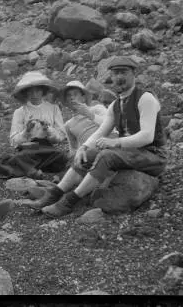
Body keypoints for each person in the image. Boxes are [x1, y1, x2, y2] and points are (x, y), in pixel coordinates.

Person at [30, 56, 168, 217]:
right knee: (87, 155)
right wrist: (83, 147)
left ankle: (68, 202)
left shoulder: (145, 99)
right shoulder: (116, 105)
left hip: (153, 155)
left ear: (133, 75)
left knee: (106, 156)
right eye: (115, 74)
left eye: (123, 72)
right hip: (130, 153)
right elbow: (101, 131)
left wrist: (115, 142)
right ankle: (54, 194)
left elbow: (147, 136)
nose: (119, 77)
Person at [0, 71, 69, 179]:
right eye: (30, 92)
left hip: (47, 149)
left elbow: (60, 136)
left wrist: (48, 129)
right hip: (27, 150)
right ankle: (34, 172)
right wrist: (27, 131)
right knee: (19, 157)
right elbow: (13, 141)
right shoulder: (20, 112)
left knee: (61, 157)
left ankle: (29, 169)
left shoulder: (53, 108)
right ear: (25, 93)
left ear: (43, 91)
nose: (34, 95)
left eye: (37, 91)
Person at [60, 80, 109, 154]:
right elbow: (73, 149)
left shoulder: (98, 108)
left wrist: (89, 114)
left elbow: (111, 126)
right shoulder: (68, 125)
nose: (72, 97)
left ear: (83, 98)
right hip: (86, 154)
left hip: (106, 148)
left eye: (75, 94)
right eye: (69, 95)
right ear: (66, 101)